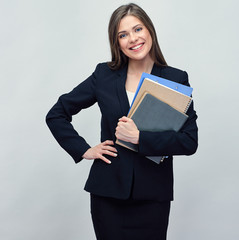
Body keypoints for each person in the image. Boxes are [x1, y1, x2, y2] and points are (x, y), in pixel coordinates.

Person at [46, 3, 198, 240]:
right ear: (116, 42)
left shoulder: (175, 78)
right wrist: (84, 150)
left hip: (152, 197)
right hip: (108, 195)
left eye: (138, 29)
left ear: (150, 31)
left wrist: (140, 138)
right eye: (123, 34)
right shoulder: (103, 75)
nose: (133, 39)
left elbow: (189, 142)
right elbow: (57, 114)